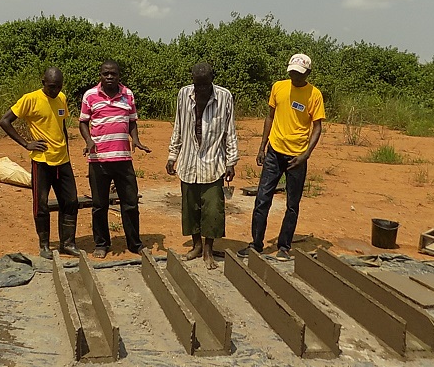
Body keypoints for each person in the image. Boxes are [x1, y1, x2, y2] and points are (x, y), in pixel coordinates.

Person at [238, 53, 325, 261]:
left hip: (297, 156)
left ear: (308, 73)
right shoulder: (278, 87)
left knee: (292, 204)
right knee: (262, 199)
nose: (295, 76)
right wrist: (262, 146)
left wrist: (305, 155)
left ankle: (284, 246)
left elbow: (317, 127)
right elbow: (270, 117)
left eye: (299, 73)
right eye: (292, 72)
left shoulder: (314, 95)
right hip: (274, 152)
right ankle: (256, 244)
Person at [0, 67, 81, 260]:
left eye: (59, 86)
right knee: (41, 205)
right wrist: (26, 143)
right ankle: (44, 245)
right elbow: (4, 121)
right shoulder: (30, 99)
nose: (55, 91)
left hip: (62, 161)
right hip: (41, 161)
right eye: (52, 87)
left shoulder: (61, 98)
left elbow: (61, 127)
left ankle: (68, 243)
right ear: (43, 82)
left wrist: (66, 151)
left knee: (70, 201)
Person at [166, 63, 238, 270]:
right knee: (190, 208)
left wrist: (231, 161)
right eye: (197, 85)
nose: (201, 90)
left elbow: (230, 131)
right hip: (188, 162)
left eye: (205, 85)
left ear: (212, 81)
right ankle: (196, 245)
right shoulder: (184, 94)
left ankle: (208, 249)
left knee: (213, 209)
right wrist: (173, 155)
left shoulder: (224, 97)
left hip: (214, 162)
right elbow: (178, 125)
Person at [79, 60, 150, 259]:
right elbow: (83, 122)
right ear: (100, 75)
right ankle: (101, 244)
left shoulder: (128, 94)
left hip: (123, 159)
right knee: (99, 205)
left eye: (113, 74)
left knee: (130, 203)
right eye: (105, 74)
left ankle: (135, 244)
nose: (109, 77)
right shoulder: (90, 96)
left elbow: (132, 121)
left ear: (119, 76)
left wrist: (135, 140)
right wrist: (89, 140)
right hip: (98, 160)